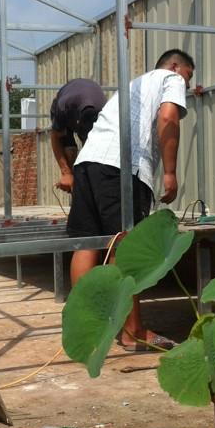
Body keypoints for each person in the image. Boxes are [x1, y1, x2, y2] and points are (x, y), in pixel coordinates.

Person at [67, 49, 195, 349]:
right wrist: (170, 173)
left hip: (88, 162)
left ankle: (87, 327)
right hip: (121, 167)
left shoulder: (133, 86)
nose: (187, 85)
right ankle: (132, 331)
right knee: (125, 247)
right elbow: (168, 117)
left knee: (88, 243)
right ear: (176, 67)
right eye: (188, 77)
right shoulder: (170, 78)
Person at [50, 79, 107, 192]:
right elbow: (55, 136)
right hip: (68, 105)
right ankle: (72, 185)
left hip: (87, 103)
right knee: (70, 151)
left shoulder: (105, 114)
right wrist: (66, 172)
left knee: (91, 157)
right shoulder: (63, 108)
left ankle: (83, 187)